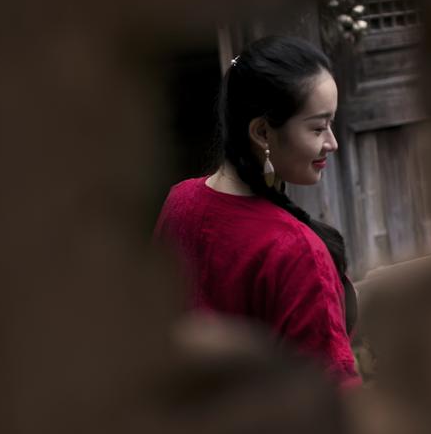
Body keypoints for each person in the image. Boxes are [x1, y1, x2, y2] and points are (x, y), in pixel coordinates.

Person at [154, 35, 361, 389]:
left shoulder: (179, 201)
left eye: (331, 124)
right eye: (317, 127)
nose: (332, 142)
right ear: (262, 132)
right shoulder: (297, 252)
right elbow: (329, 400)